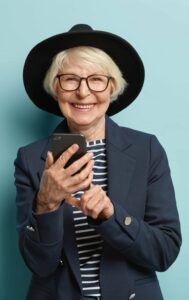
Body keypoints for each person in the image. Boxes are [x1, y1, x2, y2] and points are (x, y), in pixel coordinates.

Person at [14, 24, 181, 300]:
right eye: (69, 79)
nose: (83, 92)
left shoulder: (146, 150)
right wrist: (46, 203)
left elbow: (164, 253)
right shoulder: (30, 159)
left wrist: (111, 216)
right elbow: (39, 265)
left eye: (96, 79)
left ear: (112, 88)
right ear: (56, 89)